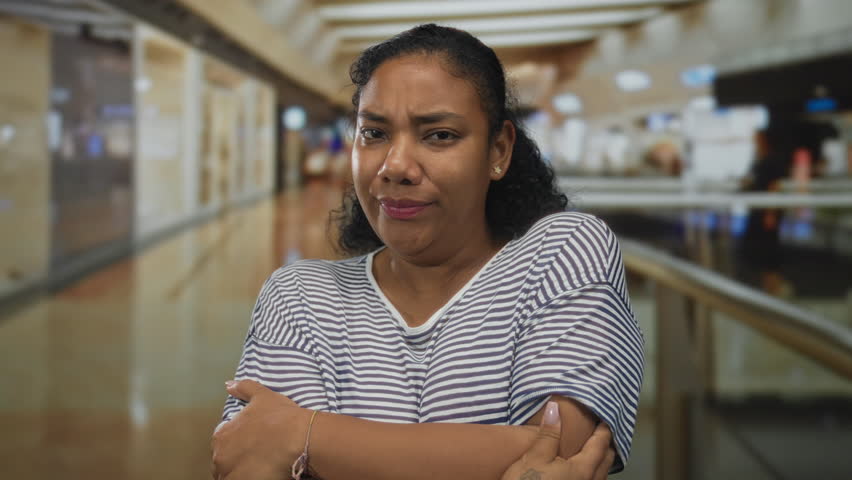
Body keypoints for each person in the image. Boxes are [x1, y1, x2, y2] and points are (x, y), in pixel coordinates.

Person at [211, 24, 644, 480]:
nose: (395, 166)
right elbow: (250, 458)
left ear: (499, 149)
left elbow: (562, 449)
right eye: (374, 133)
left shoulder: (562, 253)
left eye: (439, 135)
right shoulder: (298, 296)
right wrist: (500, 454)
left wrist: (303, 436)